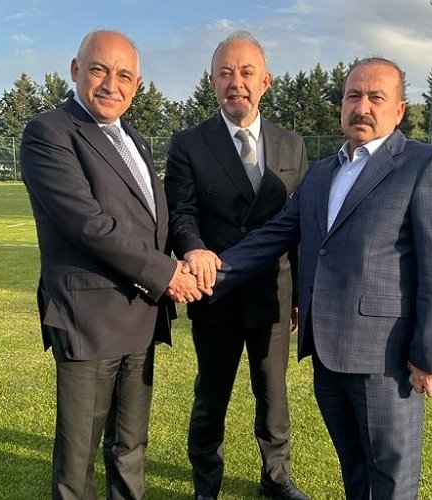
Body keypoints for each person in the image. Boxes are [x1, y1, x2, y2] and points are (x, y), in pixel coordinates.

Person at [214, 57, 432, 499]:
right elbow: (275, 234)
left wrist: (431, 354)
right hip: (327, 355)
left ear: (399, 110)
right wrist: (210, 272)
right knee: (354, 469)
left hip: (385, 361)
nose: (362, 107)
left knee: (391, 479)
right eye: (353, 96)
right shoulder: (322, 173)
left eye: (375, 97)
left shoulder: (425, 165)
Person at [20, 30, 204, 500]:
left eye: (124, 76)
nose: (110, 84)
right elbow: (89, 225)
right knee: (77, 462)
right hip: (90, 321)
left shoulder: (134, 140)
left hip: (141, 315)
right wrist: (166, 274)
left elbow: (157, 218)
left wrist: (191, 251)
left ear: (137, 85)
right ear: (75, 69)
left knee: (130, 448)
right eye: (99, 70)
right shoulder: (49, 133)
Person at [164, 31, 309, 500]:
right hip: (215, 292)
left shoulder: (292, 145)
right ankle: (206, 484)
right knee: (212, 395)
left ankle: (277, 478)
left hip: (273, 295)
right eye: (225, 73)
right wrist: (192, 248)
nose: (236, 82)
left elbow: (301, 226)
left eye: (246, 72)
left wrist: (300, 297)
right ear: (211, 82)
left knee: (273, 395)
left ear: (265, 81)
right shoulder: (189, 143)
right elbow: (181, 212)